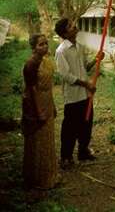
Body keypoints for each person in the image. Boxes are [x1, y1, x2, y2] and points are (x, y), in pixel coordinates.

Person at [54, 18, 102, 170]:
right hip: (73, 96)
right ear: (64, 33)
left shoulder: (80, 47)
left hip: (86, 94)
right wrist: (85, 84)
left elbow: (84, 68)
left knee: (86, 124)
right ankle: (66, 157)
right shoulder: (61, 51)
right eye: (70, 26)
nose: (74, 26)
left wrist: (96, 60)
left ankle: (83, 151)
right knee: (70, 128)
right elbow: (66, 76)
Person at [22, 33, 57, 189]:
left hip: (47, 100)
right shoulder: (30, 64)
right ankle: (35, 178)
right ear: (33, 47)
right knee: (36, 139)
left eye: (46, 43)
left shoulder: (46, 62)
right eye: (40, 44)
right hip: (34, 103)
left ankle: (48, 175)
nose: (44, 47)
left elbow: (48, 87)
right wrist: (39, 111)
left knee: (47, 139)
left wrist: (52, 105)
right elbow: (32, 89)